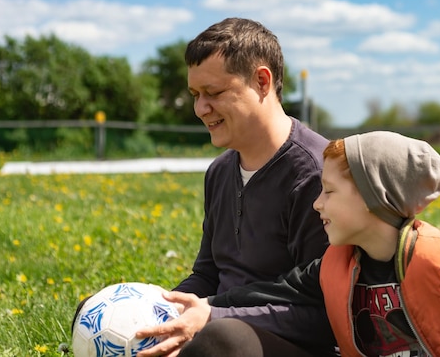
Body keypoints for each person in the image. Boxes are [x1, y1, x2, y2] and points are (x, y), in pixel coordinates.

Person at [162, 131, 440, 357]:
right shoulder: (336, 265)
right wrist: (209, 305)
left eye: (328, 191)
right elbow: (274, 289)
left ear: (372, 199)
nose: (318, 203)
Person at [135, 18, 336, 357]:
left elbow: (325, 313)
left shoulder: (319, 175)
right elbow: (208, 273)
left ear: (261, 81)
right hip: (217, 328)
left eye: (213, 93)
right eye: (196, 95)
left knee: (223, 341)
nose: (201, 109)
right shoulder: (219, 171)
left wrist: (214, 316)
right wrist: (161, 311)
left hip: (294, 345)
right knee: (100, 311)